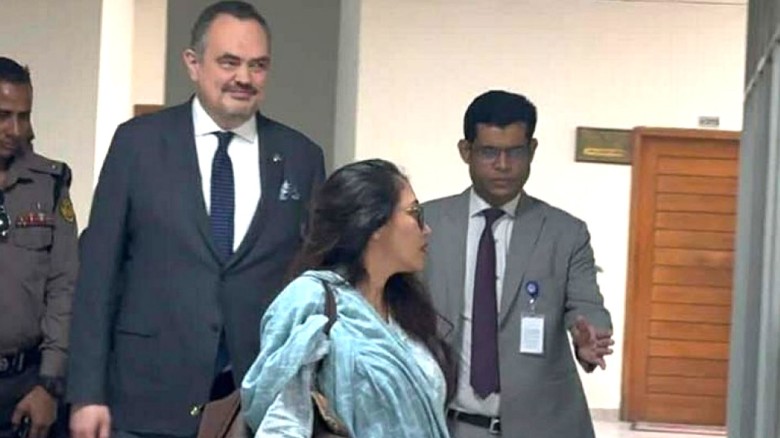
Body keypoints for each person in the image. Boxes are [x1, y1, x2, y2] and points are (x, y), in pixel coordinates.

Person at [66, 2, 325, 437]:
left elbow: (314, 279)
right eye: (229, 62)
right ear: (193, 63)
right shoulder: (138, 144)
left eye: (258, 65)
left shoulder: (301, 156)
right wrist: (87, 394)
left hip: (256, 402)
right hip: (146, 398)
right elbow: (98, 275)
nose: (244, 77)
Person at [422, 90, 614, 438]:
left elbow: (587, 304)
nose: (503, 165)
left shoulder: (565, 233)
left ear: (532, 150)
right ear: (466, 151)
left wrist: (590, 337)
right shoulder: (427, 224)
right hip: (444, 424)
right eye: (489, 152)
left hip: (541, 426)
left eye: (515, 152)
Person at [241, 159, 456, 437]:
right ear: (374, 223)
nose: (426, 229)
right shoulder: (311, 300)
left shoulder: (404, 307)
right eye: (415, 213)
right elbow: (281, 420)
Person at [0, 57, 78, 438]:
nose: (15, 130)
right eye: (3, 116)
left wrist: (49, 384)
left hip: (25, 387)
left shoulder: (50, 184)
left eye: (24, 116)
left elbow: (64, 288)